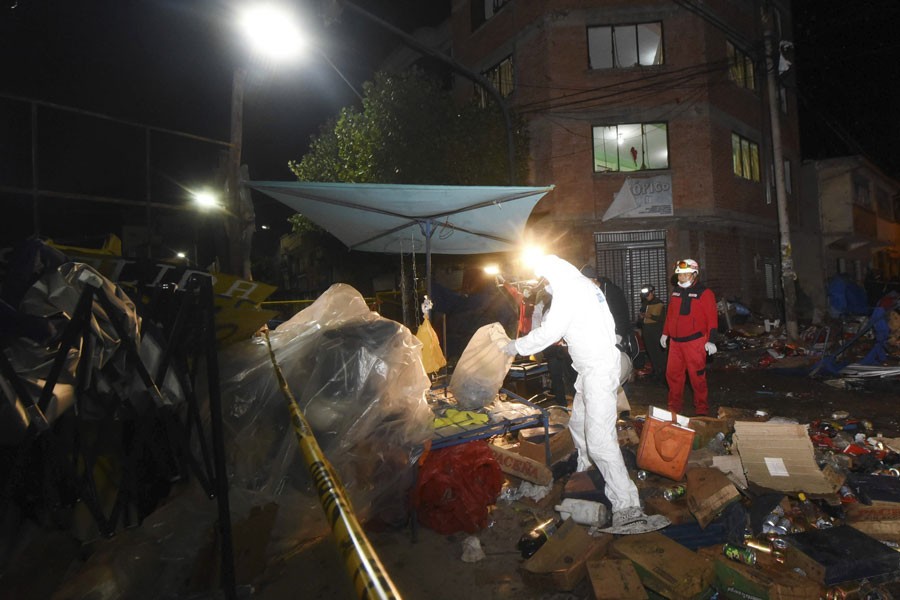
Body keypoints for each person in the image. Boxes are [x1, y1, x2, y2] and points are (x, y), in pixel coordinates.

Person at [502, 255, 653, 530]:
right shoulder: (583, 285)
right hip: (593, 369)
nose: (544, 286)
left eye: (544, 280)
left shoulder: (569, 290)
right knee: (579, 424)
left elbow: (549, 332)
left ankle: (627, 506)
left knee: (600, 440)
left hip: (597, 371)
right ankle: (584, 472)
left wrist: (513, 347)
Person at [660, 259, 718, 416]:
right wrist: (665, 333)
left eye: (685, 274)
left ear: (694, 274)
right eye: (679, 274)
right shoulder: (676, 291)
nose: (681, 277)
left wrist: (711, 340)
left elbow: (712, 318)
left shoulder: (705, 293)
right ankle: (674, 408)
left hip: (695, 342)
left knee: (697, 378)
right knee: (673, 376)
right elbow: (670, 315)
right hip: (676, 344)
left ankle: (701, 409)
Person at [530, 285, 576, 406]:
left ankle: (579, 404)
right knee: (557, 376)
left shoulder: (564, 298)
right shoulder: (542, 301)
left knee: (573, 375)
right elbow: (536, 319)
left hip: (567, 343)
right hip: (551, 345)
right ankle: (562, 405)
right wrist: (536, 344)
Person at [638, 284, 667, 384]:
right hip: (647, 332)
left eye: (648, 294)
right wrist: (641, 317)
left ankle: (662, 373)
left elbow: (663, 319)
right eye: (645, 295)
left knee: (658, 353)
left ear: (652, 292)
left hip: (657, 332)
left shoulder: (659, 303)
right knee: (651, 352)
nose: (647, 297)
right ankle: (655, 371)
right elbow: (640, 319)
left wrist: (650, 316)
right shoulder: (645, 304)